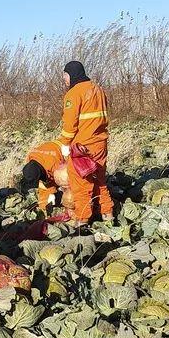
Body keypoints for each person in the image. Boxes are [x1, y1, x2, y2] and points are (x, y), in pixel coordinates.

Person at [58, 61, 113, 222]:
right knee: (100, 181)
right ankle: (108, 214)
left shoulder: (74, 94)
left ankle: (82, 221)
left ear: (71, 74)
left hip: (83, 147)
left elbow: (70, 124)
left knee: (80, 185)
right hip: (100, 144)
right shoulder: (98, 89)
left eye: (65, 76)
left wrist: (65, 144)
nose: (64, 80)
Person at [21, 140, 65, 212]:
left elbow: (67, 179)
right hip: (49, 158)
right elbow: (44, 185)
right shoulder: (31, 157)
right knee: (44, 201)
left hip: (65, 153)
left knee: (70, 192)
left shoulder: (54, 166)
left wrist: (57, 193)